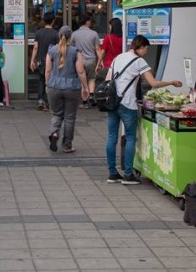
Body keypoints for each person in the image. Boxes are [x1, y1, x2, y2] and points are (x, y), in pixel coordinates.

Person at [104, 35, 182, 185]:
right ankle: (128, 174)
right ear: (140, 47)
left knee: (112, 136)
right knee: (131, 137)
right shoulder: (139, 61)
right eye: (146, 48)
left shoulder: (118, 57)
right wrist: (171, 82)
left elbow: (108, 79)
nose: (146, 51)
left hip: (112, 102)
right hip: (127, 104)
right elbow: (154, 83)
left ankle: (112, 173)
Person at [45, 26, 89, 154]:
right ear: (71, 37)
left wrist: (48, 84)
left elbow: (48, 70)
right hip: (72, 88)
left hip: (54, 86)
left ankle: (54, 133)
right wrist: (85, 87)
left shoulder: (51, 51)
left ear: (59, 36)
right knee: (69, 117)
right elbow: (80, 71)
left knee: (56, 114)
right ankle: (67, 145)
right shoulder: (76, 52)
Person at [71, 15, 103, 107]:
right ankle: (92, 95)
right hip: (91, 60)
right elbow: (97, 49)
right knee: (92, 78)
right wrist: (100, 61)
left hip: (79, 60)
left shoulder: (74, 34)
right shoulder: (94, 34)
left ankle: (85, 101)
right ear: (87, 22)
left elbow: (72, 49)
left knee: (82, 80)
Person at [30, 13, 59, 111]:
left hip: (41, 61)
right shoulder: (56, 33)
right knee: (50, 81)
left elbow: (35, 47)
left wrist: (32, 60)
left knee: (41, 80)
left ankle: (40, 101)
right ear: (53, 20)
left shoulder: (39, 32)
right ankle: (47, 102)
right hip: (52, 61)